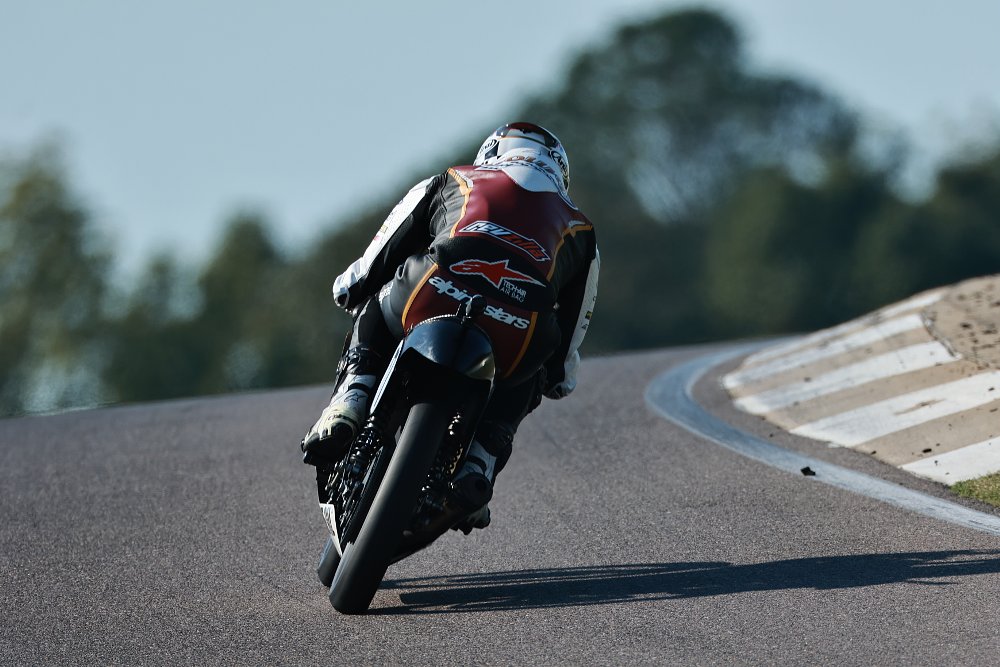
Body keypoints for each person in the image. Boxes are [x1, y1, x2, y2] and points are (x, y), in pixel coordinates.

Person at [301, 122, 599, 530]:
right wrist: (556, 377)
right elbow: (572, 329)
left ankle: (351, 397)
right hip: (519, 326)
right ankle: (481, 461)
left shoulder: (457, 177)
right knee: (536, 367)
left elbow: (385, 247)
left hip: (435, 288)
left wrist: (352, 286)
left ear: (492, 153)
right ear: (559, 175)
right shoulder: (580, 228)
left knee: (377, 302)